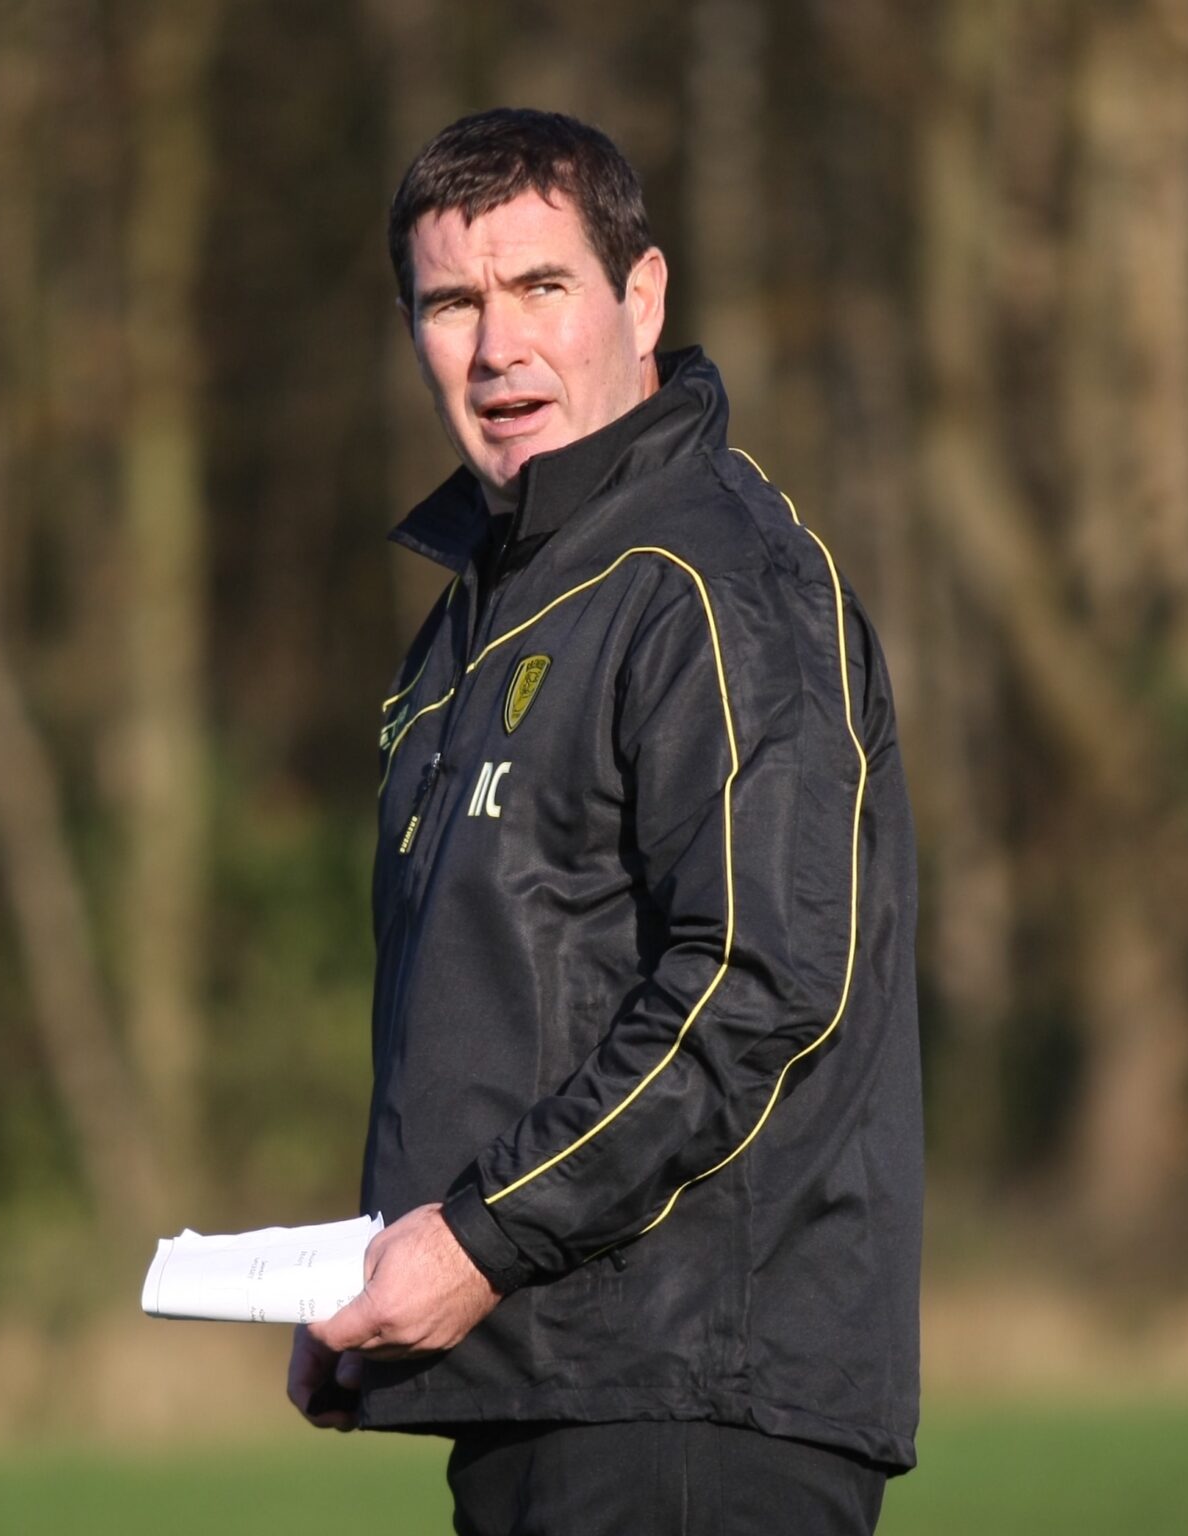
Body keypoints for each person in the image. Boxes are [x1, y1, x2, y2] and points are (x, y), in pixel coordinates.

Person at [286, 107, 922, 1535]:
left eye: (540, 287)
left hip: (694, 1407)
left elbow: (759, 987)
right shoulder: (483, 618)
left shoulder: (714, 582)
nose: (496, 347)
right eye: (451, 304)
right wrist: (383, 1279)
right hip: (537, 1380)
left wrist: (478, 1238)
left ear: (642, 298)